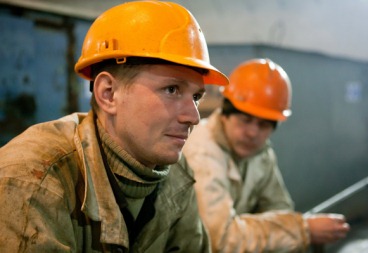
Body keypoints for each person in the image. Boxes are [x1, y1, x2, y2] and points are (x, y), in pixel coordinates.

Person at [0, 1, 229, 252]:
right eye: (172, 90)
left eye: (196, 97)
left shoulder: (174, 173)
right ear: (108, 94)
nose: (193, 117)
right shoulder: (32, 180)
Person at [183, 58, 350, 252]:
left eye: (263, 125)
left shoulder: (260, 153)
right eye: (245, 120)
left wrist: (296, 232)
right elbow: (221, 238)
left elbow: (279, 207)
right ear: (225, 114)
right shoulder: (202, 152)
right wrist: (302, 229)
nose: (253, 133)